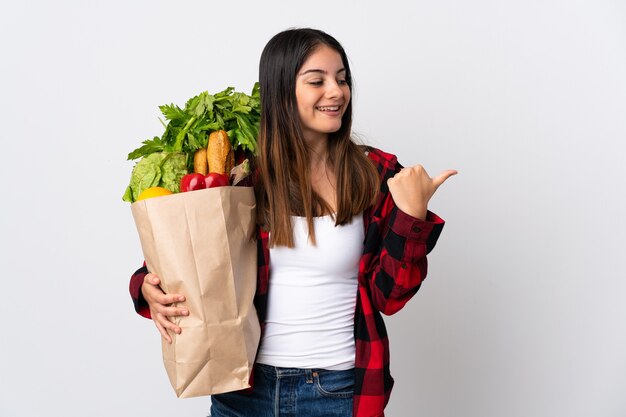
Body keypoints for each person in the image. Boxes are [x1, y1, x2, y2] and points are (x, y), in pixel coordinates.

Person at [129, 27, 456, 417]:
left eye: (342, 79)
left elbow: (391, 296)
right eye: (317, 81)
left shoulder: (377, 173)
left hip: (337, 391)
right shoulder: (241, 175)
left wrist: (411, 216)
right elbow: (183, 264)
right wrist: (146, 290)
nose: (336, 92)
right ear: (282, 90)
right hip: (243, 391)